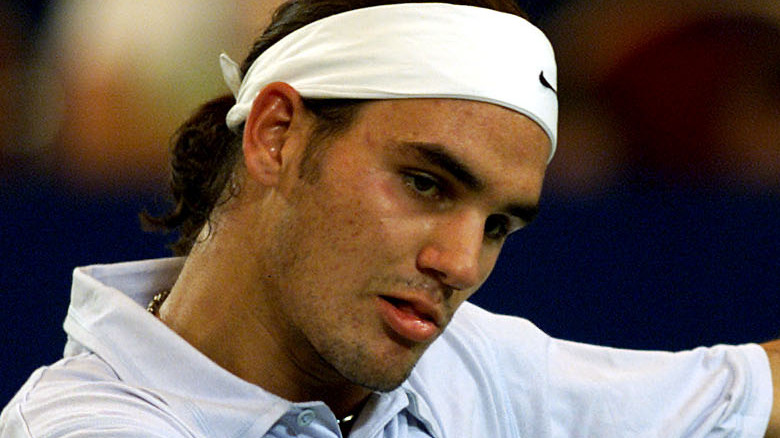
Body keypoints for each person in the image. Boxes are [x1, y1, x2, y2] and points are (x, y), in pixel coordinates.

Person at [1, 0, 778, 436]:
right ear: (276, 133)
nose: (463, 265)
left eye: (499, 225)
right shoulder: (87, 427)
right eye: (426, 184)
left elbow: (749, 392)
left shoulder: (477, 367)